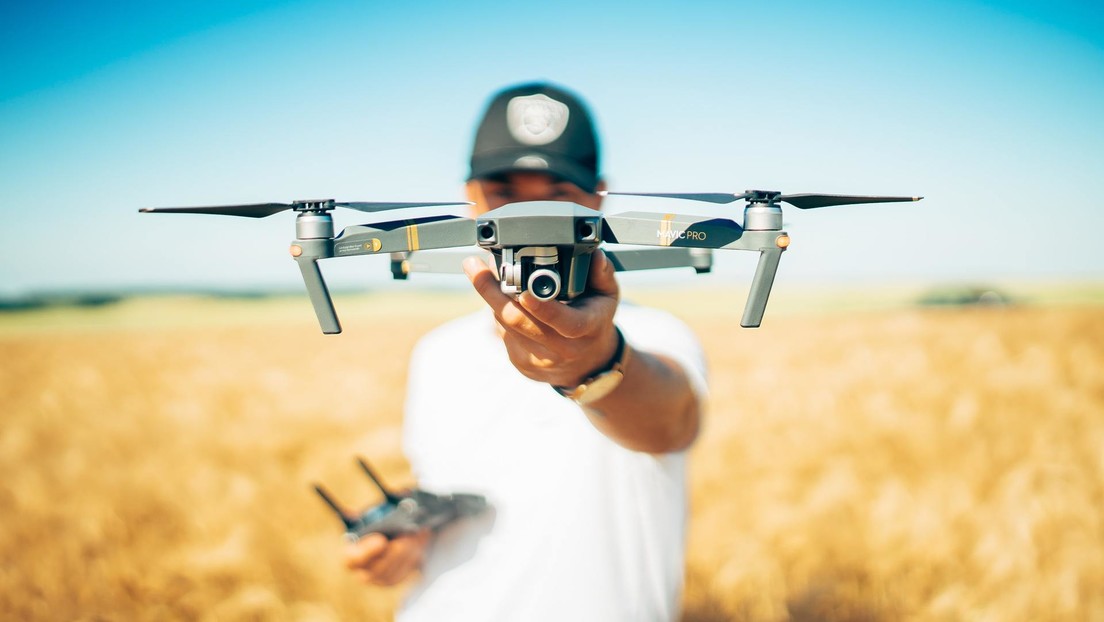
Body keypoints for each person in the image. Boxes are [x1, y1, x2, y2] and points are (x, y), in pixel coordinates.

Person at [343, 82, 708, 621]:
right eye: (506, 194)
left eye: (556, 194)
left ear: (597, 196)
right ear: (471, 195)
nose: (530, 217)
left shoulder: (659, 336)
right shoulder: (437, 353)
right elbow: (453, 480)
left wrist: (597, 362)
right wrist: (404, 535)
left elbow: (667, 422)